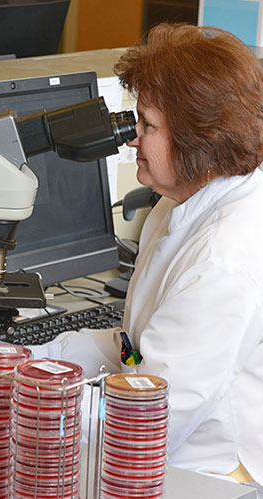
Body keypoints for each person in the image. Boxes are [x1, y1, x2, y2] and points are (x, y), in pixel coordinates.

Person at [30, 23, 263, 496]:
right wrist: (35, 360)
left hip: (208, 472)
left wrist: (27, 409)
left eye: (147, 126)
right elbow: (133, 349)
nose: (132, 139)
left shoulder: (224, 255)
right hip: (159, 437)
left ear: (202, 137)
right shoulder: (179, 203)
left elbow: (150, 417)